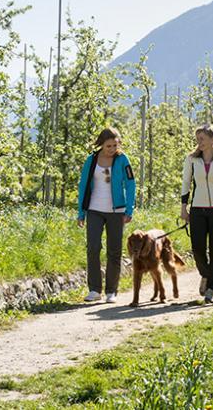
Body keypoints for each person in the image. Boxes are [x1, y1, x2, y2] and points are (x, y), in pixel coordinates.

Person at [77, 127, 136, 303]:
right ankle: (94, 289)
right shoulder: (91, 160)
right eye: (109, 146)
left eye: (115, 145)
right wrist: (81, 212)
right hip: (94, 209)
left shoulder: (123, 159)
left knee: (114, 251)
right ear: (101, 144)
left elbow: (131, 184)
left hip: (116, 211)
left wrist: (129, 209)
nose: (112, 149)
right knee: (93, 248)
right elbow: (83, 186)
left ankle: (112, 291)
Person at [180, 124, 213, 304]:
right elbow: (186, 183)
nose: (199, 142)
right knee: (197, 248)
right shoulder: (192, 159)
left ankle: (211, 288)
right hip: (198, 209)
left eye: (202, 138)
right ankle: (205, 274)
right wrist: (183, 208)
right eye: (198, 139)